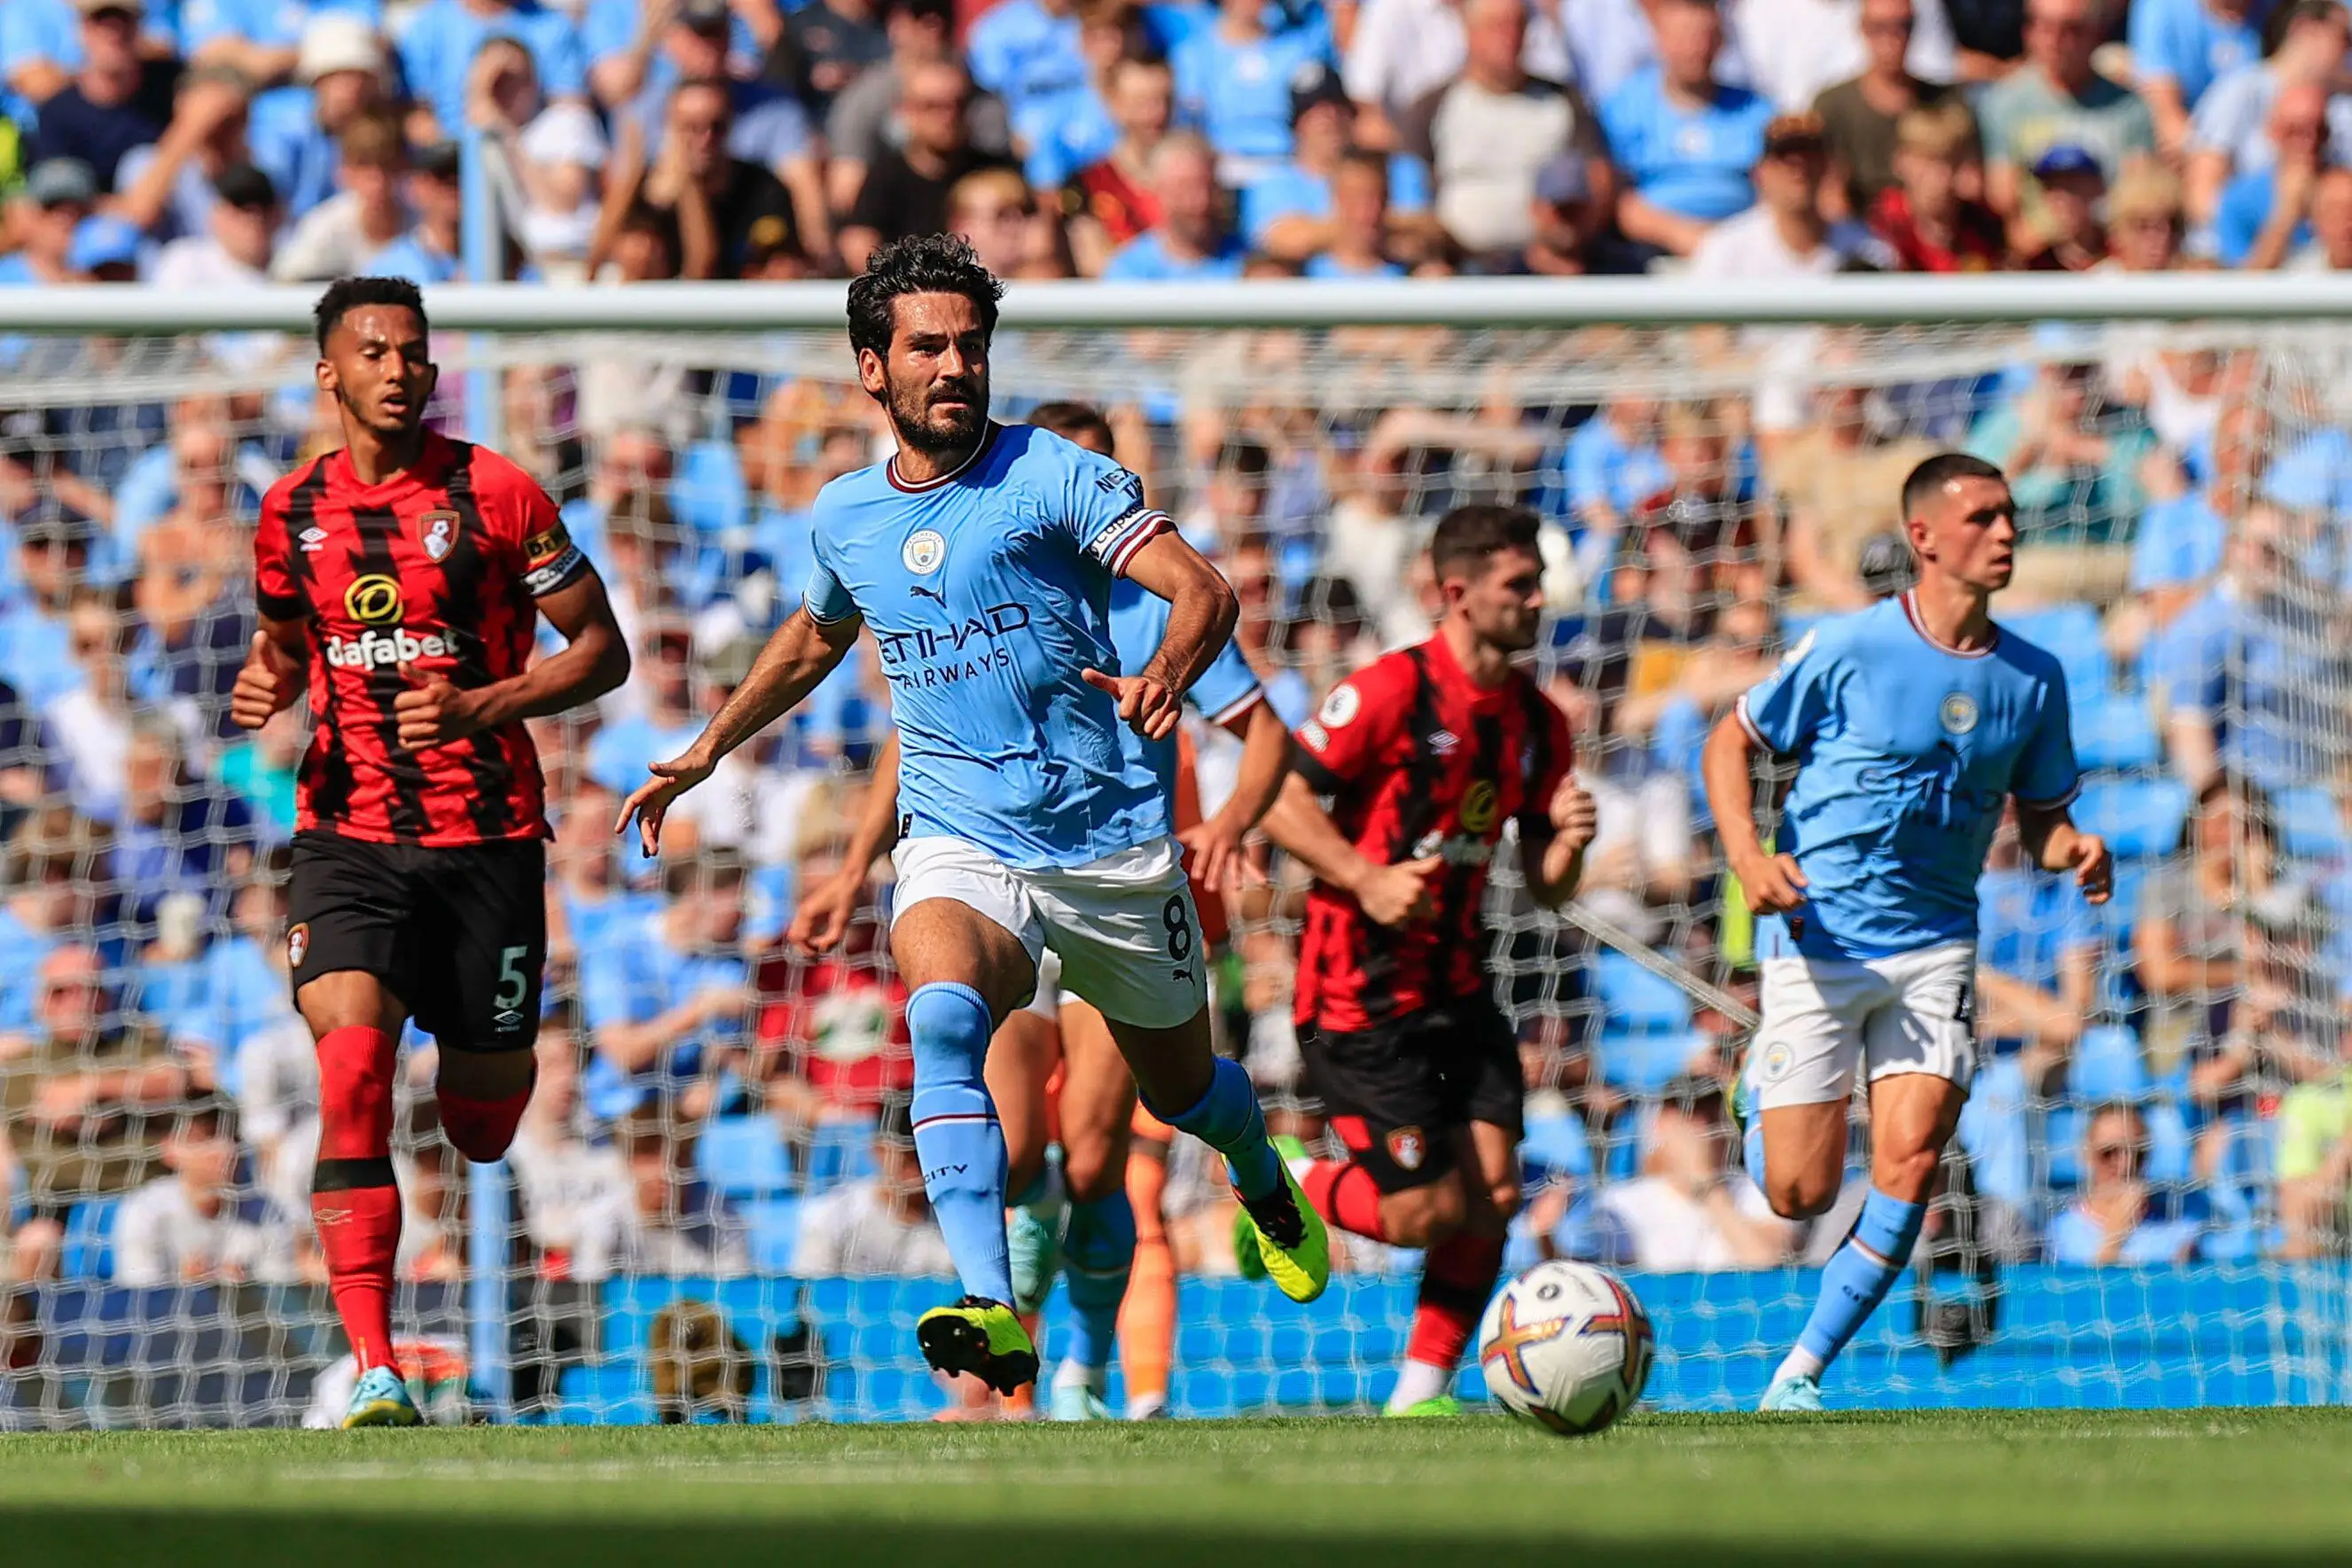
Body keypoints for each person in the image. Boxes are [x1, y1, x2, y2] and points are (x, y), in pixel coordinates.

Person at [616, 233, 1328, 1398]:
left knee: (1181, 1092)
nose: (953, 364)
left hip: (1107, 845)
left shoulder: (1054, 475)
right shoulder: (846, 515)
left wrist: (1167, 676)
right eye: (927, 346)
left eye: (970, 344)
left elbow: (1205, 591)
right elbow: (815, 637)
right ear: (871, 369)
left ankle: (1258, 1174)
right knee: (942, 1020)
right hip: (961, 839)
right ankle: (991, 1306)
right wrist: (707, 747)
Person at [790, 399, 1298, 1419]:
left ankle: (1114, 1331)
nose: (1096, 501)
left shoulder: (1156, 601)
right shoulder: (986, 564)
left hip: (1114, 876)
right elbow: (914, 736)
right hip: (988, 872)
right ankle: (1005, 1355)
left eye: (1107, 482)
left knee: (1127, 1133)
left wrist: (1231, 819)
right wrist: (852, 867)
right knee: (1010, 1132)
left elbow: (1264, 732)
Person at [229, 276, 630, 1427]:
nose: (399, 369)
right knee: (351, 1076)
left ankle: (491, 1079)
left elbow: (602, 652)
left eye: (413, 351)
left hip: (489, 839)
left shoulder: (497, 493)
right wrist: (270, 678)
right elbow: (282, 639)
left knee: (481, 1123)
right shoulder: (290, 511)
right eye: (374, 352)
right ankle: (373, 1366)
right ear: (330, 373)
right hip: (346, 836)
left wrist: (485, 704)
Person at [1705, 452, 2108, 1410]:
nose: (2004, 532)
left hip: (1935, 947)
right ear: (1923, 536)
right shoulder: (1848, 645)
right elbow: (1729, 740)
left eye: (2010, 515)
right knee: (1796, 1194)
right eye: (1981, 518)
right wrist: (1748, 859)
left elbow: (2043, 821)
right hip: (1822, 939)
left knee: (1912, 1157)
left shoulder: (2034, 678)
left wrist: (2075, 850)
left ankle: (1799, 1373)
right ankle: (1753, 1094)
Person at [1252, 503, 1598, 1418]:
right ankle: (1281, 1178)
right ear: (1456, 594)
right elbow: (1280, 798)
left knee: (1493, 1190)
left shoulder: (1537, 722)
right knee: (1422, 1214)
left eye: (1537, 583)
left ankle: (1419, 1392)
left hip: (1457, 985)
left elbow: (1547, 885)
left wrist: (1568, 843)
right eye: (1517, 585)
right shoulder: (1389, 692)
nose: (1537, 600)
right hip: (1355, 993)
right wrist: (1363, 877)